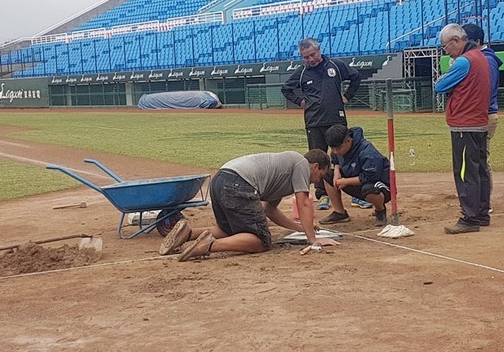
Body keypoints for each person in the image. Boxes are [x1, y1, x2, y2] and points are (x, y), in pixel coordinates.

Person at [159, 149, 340, 261]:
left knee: (231, 230)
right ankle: (205, 246)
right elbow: (304, 204)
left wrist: (300, 228)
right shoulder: (301, 163)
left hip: (222, 179)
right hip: (238, 183)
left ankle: (187, 234)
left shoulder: (283, 174)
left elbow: (270, 210)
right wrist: (313, 239)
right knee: (261, 241)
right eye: (320, 175)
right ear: (315, 166)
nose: (317, 180)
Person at [281, 38, 361, 211]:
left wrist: (346, 96)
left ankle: (358, 193)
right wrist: (300, 101)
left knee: (344, 155)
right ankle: (322, 194)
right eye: (306, 57)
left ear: (319, 50)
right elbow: (286, 88)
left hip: (336, 120)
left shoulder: (336, 65)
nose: (310, 59)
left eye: (313, 54)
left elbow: (355, 77)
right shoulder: (301, 72)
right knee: (317, 158)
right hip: (314, 122)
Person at [435, 23, 491, 234]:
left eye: (445, 46)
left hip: (464, 124)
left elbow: (439, 86)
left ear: (457, 41)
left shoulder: (464, 62)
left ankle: (470, 217)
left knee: (466, 172)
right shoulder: (481, 57)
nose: (446, 51)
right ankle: (482, 213)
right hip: (479, 122)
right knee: (480, 170)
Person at [461, 23, 502, 212]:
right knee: (475, 158)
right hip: (478, 115)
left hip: (484, 115)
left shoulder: (487, 60)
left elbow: (487, 89)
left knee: (480, 159)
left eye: (466, 40)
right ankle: (478, 198)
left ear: (476, 41)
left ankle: (483, 202)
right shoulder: (476, 58)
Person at [318, 124, 391, 227]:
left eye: (338, 148)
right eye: (332, 148)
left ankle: (380, 211)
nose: (335, 151)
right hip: (356, 182)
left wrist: (345, 181)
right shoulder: (339, 149)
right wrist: (336, 172)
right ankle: (340, 213)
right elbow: (335, 158)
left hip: (380, 186)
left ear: (348, 141)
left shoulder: (367, 151)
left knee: (369, 189)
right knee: (327, 176)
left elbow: (370, 177)